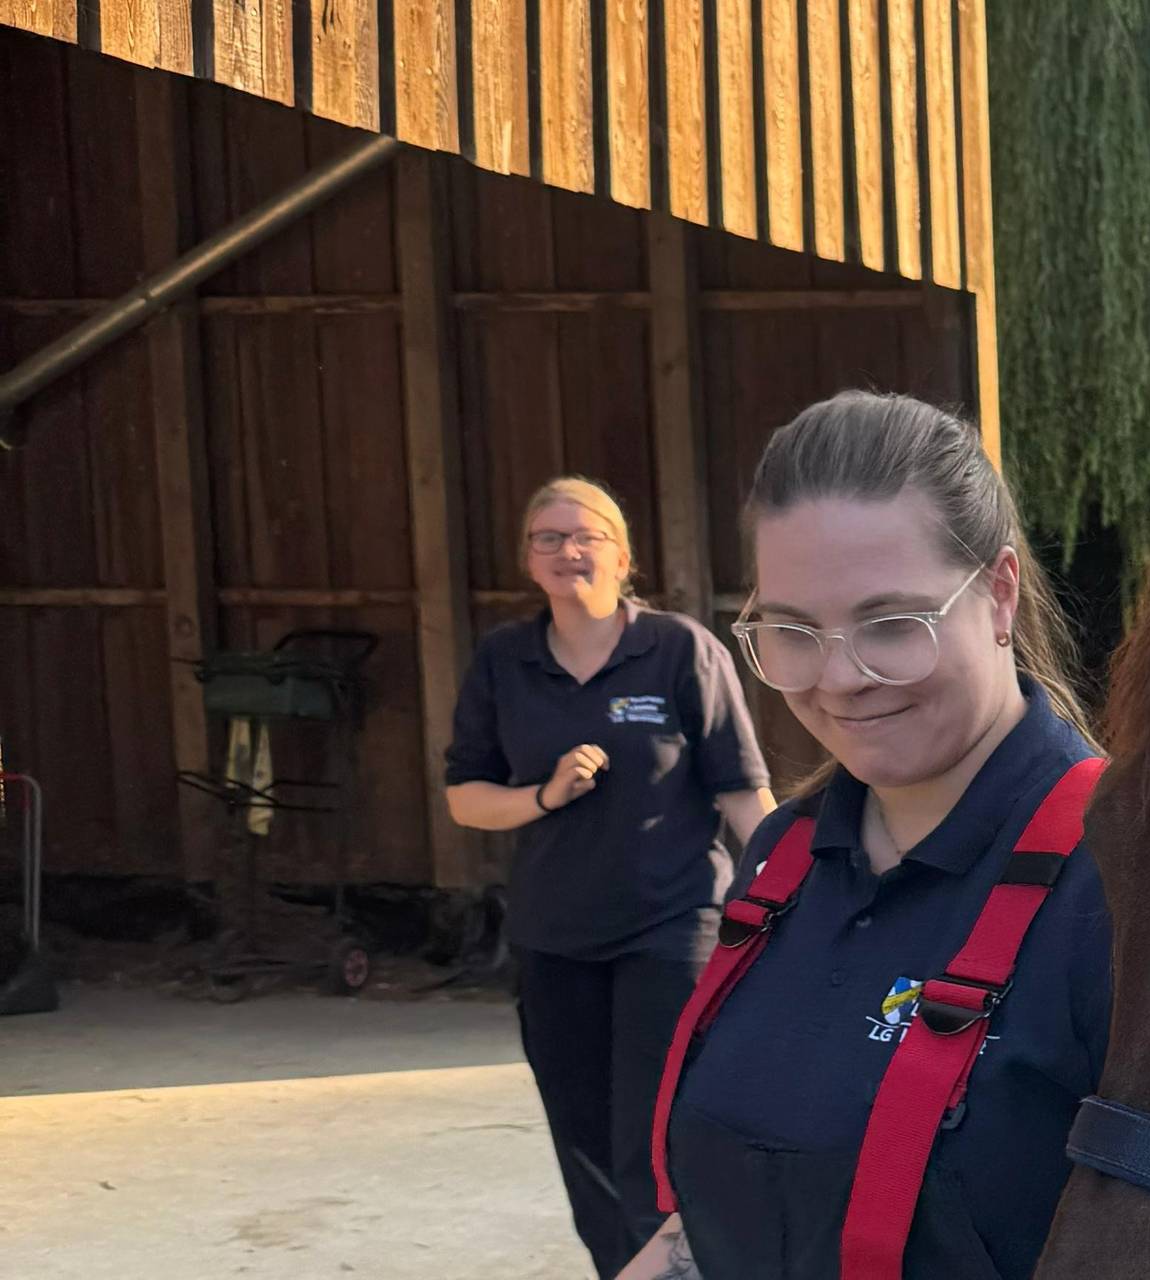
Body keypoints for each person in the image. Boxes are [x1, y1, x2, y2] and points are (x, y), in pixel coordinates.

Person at [622, 393, 1109, 1279]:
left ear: (999, 595)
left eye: (892, 625)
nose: (841, 680)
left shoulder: (1128, 883)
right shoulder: (781, 861)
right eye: (795, 632)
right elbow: (712, 1218)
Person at [443, 476, 776, 1277]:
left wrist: (789, 895)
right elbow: (465, 799)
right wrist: (544, 795)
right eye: (546, 538)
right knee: (583, 1145)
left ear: (622, 554)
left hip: (670, 927)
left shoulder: (678, 649)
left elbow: (740, 791)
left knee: (651, 1143)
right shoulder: (504, 661)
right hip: (553, 936)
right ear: (529, 560)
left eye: (584, 534)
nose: (567, 550)